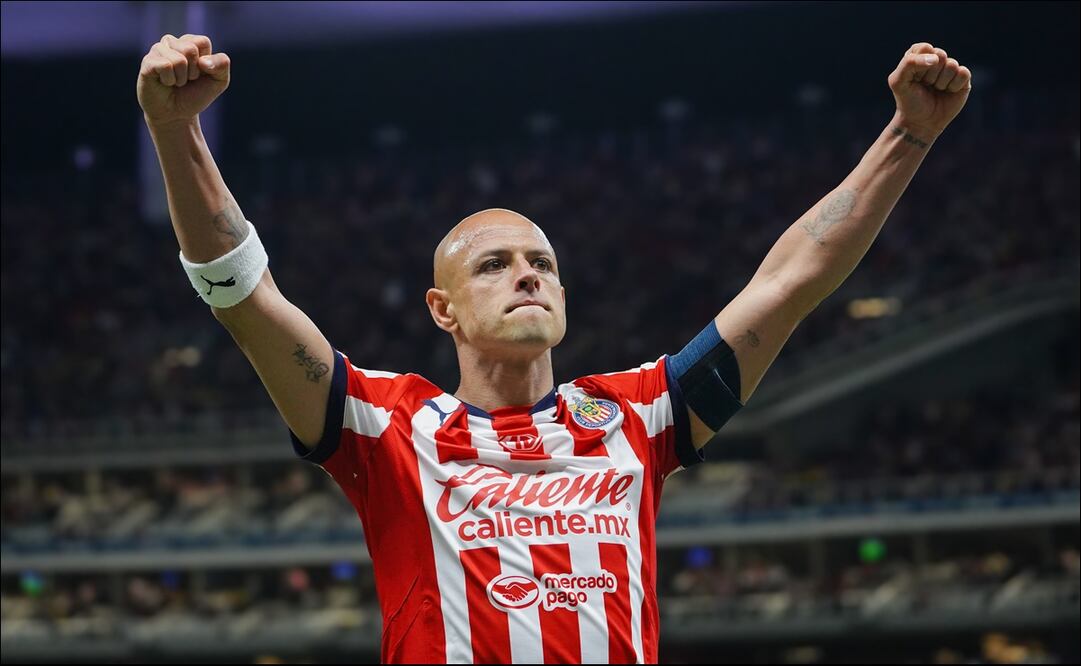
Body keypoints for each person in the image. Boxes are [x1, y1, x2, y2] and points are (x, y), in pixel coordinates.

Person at [137, 33, 971, 663]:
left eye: (542, 264)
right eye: (494, 266)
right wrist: (175, 132)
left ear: (565, 296)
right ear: (443, 310)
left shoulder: (636, 414)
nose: (525, 277)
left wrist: (908, 136)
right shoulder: (385, 427)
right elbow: (244, 297)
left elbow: (789, 283)